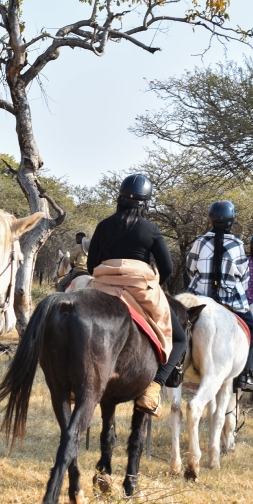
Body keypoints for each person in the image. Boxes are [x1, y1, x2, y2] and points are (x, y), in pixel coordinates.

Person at [87, 174, 187, 416]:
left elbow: (91, 266)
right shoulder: (151, 229)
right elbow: (168, 268)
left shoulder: (103, 226)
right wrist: (153, 284)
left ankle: (74, 386)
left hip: (103, 285)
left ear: (119, 199)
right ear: (146, 203)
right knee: (180, 338)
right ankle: (153, 389)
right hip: (140, 287)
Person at [186, 201, 253, 392]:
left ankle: (171, 366)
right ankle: (246, 375)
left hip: (199, 296)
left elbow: (191, 269)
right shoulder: (237, 244)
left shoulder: (199, 242)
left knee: (178, 323)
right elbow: (243, 276)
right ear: (231, 221)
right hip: (231, 301)